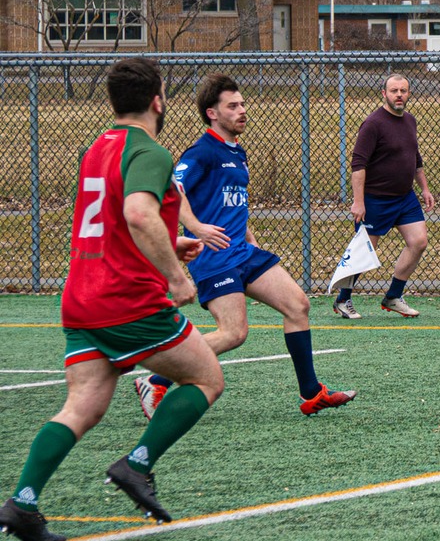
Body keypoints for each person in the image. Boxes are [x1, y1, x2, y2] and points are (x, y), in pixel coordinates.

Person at [0, 58, 226, 541]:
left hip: (81, 297)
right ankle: (137, 464)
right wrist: (176, 275)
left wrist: (172, 239)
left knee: (82, 405)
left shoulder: (96, 148)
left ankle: (22, 503)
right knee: (207, 377)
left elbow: (120, 221)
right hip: (127, 301)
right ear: (157, 100)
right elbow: (139, 213)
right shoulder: (151, 151)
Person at [134, 76, 355, 419]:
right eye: (232, 106)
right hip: (214, 257)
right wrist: (195, 227)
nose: (242, 110)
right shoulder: (202, 151)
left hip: (241, 251)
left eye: (242, 104)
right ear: (212, 113)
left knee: (298, 305)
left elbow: (230, 201)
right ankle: (157, 378)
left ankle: (312, 394)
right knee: (234, 333)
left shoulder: (237, 151)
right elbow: (171, 189)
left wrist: (248, 234)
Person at [334, 73, 433, 319]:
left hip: (405, 198)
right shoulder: (373, 124)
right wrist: (359, 202)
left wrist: (424, 188)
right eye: (394, 91)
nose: (399, 95)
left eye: (403, 90)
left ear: (409, 93)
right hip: (376, 200)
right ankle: (342, 300)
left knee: (419, 242)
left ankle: (393, 297)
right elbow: (358, 164)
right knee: (364, 252)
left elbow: (415, 158)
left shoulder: (410, 120)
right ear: (384, 94)